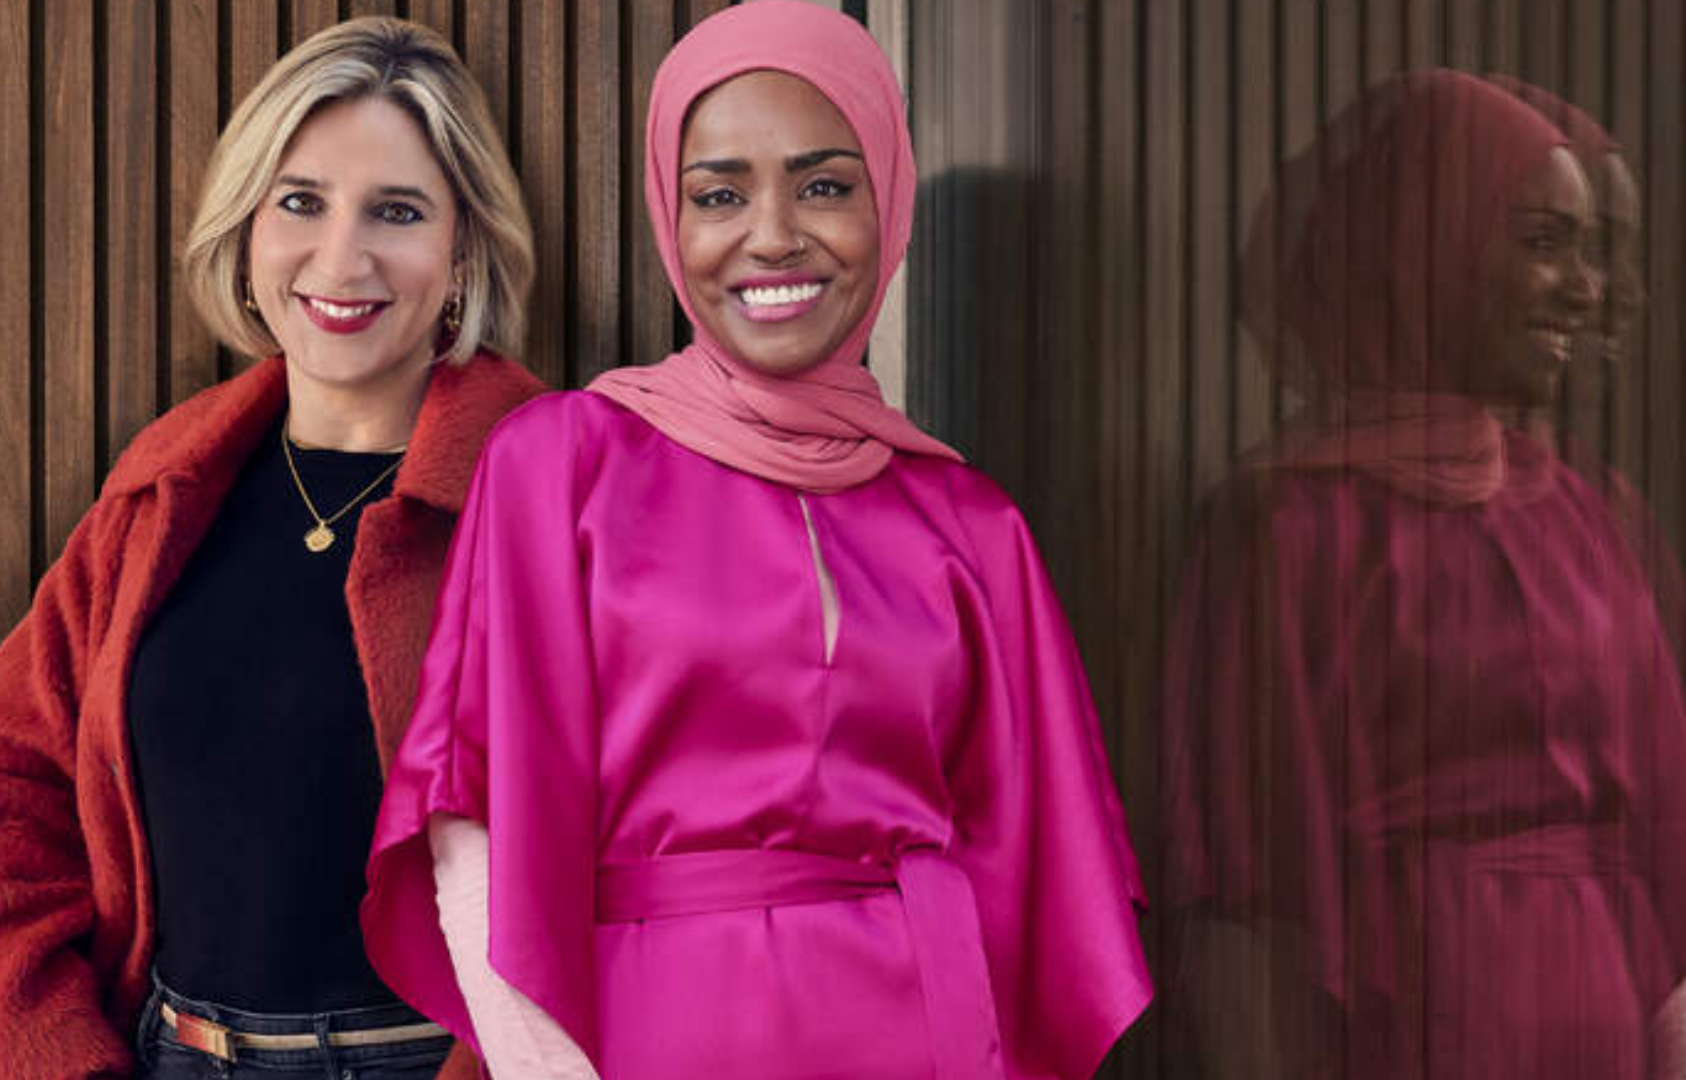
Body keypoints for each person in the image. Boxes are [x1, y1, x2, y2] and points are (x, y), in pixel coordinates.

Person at [359, 4, 1153, 1079]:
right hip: (649, 1042)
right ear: (669, 218)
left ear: (890, 202)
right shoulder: (563, 460)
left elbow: (1040, 889)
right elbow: (473, 820)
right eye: (721, 194)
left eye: (824, 185)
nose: (773, 233)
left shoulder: (970, 521)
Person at [0, 17, 541, 1080]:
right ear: (249, 232)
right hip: (167, 1055)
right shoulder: (162, 495)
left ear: (462, 255)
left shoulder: (550, 498)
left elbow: (623, 859)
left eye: (396, 212)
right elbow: (1, 788)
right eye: (300, 201)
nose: (339, 256)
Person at [1159, 70, 1686, 1080]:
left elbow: (1666, 845)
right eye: (1541, 244)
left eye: (1589, 250)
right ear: (1422, 249)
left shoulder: (1588, 513)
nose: (1585, 289)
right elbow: (1244, 901)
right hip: (1411, 1033)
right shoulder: (1289, 529)